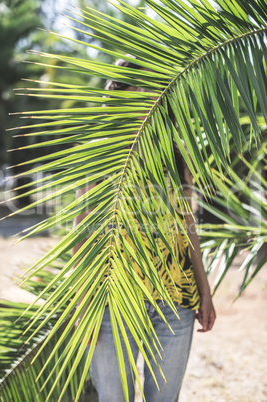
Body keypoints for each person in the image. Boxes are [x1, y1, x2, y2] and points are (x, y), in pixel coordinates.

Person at [72, 58, 216, 402]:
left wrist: (206, 290)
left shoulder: (176, 156)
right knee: (114, 398)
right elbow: (82, 235)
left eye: (146, 96)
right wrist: (84, 305)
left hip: (175, 302)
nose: (140, 105)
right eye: (128, 96)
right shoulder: (97, 156)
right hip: (113, 300)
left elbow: (188, 228)